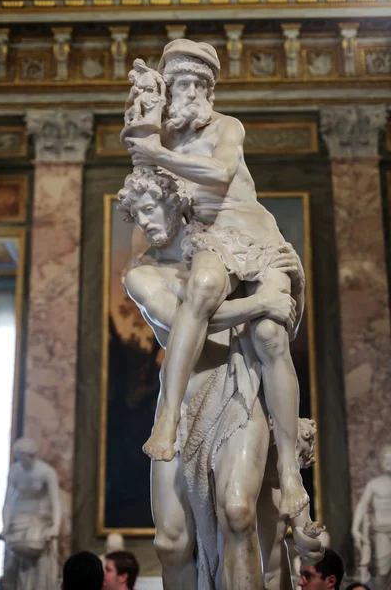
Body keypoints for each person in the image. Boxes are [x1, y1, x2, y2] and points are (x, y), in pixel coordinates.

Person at [126, 38, 307, 519]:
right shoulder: (163, 140)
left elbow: (221, 173)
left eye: (196, 85)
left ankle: (289, 469)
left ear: (208, 90)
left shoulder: (226, 127)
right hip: (213, 240)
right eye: (178, 85)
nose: (188, 94)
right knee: (202, 290)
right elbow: (146, 194)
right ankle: (167, 417)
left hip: (258, 236)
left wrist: (156, 154)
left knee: (269, 337)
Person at [120, 171, 307, 589]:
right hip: (183, 397)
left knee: (238, 513)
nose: (145, 222)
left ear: (176, 202)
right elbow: (186, 320)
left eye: (150, 209)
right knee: (170, 542)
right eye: (135, 215)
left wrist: (296, 281)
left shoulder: (227, 250)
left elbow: (279, 323)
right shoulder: (141, 276)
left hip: (238, 389)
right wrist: (259, 300)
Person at [258, 419, 325, 590]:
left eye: (300, 457)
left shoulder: (295, 492)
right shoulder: (251, 485)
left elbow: (307, 542)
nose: (293, 464)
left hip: (276, 578)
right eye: (289, 453)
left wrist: (308, 537)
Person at [0, 437, 61, 590]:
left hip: (40, 520)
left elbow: (55, 502)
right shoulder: (14, 471)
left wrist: (55, 527)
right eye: (18, 456)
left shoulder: (47, 472)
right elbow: (7, 503)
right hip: (18, 519)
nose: (21, 460)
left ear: (32, 455)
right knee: (11, 561)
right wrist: (5, 527)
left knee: (39, 561)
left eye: (23, 456)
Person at [352, 444, 391, 588]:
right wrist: (355, 528)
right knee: (383, 568)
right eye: (385, 459)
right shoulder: (374, 484)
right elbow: (362, 506)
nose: (388, 462)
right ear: (381, 462)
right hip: (382, 532)